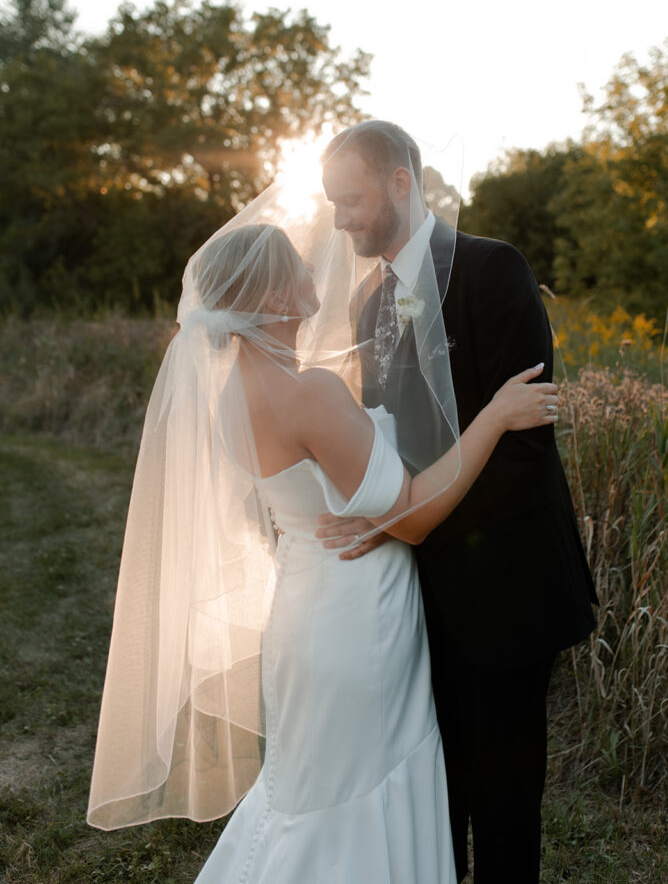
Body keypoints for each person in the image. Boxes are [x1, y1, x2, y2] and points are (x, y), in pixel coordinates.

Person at [87, 166, 559, 884]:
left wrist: (379, 509)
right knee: (356, 795)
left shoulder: (229, 396)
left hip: (305, 610)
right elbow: (415, 514)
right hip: (355, 620)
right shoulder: (307, 393)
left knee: (308, 791)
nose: (315, 262)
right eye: (294, 264)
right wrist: (493, 415)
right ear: (275, 295)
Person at [318, 120, 598, 883]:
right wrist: (381, 510)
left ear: (401, 183)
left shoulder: (491, 268)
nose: (339, 220)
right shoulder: (368, 304)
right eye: (331, 204)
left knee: (505, 801)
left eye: (351, 201)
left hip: (506, 582)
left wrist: (411, 522)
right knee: (433, 793)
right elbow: (385, 439)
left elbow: (524, 441)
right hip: (411, 593)